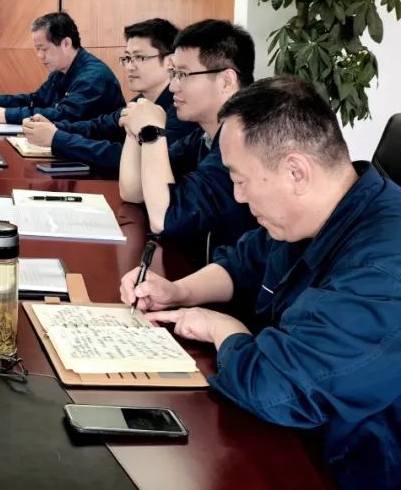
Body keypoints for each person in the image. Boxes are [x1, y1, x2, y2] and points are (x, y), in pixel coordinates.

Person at [121, 76, 401, 489]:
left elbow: (276, 385)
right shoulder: (320, 211)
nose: (237, 196)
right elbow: (245, 263)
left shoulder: (384, 268)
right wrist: (178, 290)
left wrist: (221, 328)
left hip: (347, 467)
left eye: (240, 179)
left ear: (296, 172)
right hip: (293, 441)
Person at [118, 19, 257, 265]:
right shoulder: (204, 136)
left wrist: (151, 131)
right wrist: (135, 128)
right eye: (173, 74)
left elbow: (164, 219)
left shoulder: (246, 140)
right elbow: (133, 191)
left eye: (183, 75)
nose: (173, 86)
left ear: (226, 80)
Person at [21, 18, 197, 168]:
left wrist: (57, 138)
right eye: (127, 58)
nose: (130, 66)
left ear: (170, 61)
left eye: (140, 57)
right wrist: (54, 128)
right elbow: (101, 127)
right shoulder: (141, 101)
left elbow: (130, 158)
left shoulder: (182, 110)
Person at [0, 12, 124, 125]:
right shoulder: (60, 70)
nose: (40, 56)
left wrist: (8, 115)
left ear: (66, 43)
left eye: (44, 49)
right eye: (37, 49)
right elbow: (36, 100)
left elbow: (64, 115)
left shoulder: (93, 77)